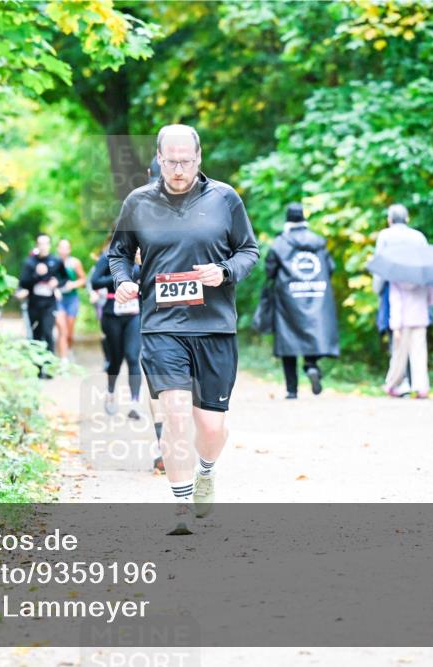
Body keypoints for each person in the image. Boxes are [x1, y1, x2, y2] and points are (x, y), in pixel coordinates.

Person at [109, 124, 259, 534]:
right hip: (161, 326)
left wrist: (224, 272)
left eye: (186, 161)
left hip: (214, 327)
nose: (178, 169)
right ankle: (179, 509)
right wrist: (123, 280)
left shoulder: (225, 198)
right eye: (170, 161)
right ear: (158, 158)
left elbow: (249, 251)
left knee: (210, 426)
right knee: (174, 415)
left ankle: (206, 471)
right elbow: (119, 253)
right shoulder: (138, 202)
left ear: (199, 158)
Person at [265, 203, 340, 398]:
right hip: (316, 296)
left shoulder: (280, 243)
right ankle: (311, 366)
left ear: (287, 220)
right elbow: (330, 268)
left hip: (289, 299)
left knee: (288, 340)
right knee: (312, 334)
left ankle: (292, 390)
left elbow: (270, 271)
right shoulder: (319, 241)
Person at [373, 204, 433, 398]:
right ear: (407, 218)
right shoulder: (418, 237)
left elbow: (379, 266)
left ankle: (397, 383)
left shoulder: (385, 236)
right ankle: (421, 386)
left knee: (397, 347)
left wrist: (377, 289)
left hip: (393, 293)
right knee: (419, 349)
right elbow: (428, 266)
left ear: (389, 219)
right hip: (419, 301)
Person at [89, 248, 143, 419]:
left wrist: (141, 266)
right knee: (116, 360)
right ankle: (111, 391)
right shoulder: (108, 257)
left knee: (133, 357)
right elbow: (95, 281)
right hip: (112, 314)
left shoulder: (143, 256)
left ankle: (134, 403)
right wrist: (119, 278)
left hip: (134, 314)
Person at [18, 233, 67, 378]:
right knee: (35, 335)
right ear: (37, 245)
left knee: (48, 333)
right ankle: (38, 369)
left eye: (46, 243)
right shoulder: (30, 262)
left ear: (49, 245)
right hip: (34, 304)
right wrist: (36, 275)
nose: (43, 246)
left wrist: (56, 283)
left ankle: (50, 367)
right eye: (40, 243)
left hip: (49, 305)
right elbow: (23, 283)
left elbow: (64, 278)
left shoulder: (56, 261)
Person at [54, 239, 86, 359]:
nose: (63, 250)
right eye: (61, 247)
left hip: (71, 299)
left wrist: (73, 284)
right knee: (62, 329)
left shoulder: (74, 263)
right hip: (58, 300)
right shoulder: (53, 262)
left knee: (69, 332)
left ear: (69, 249)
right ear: (57, 249)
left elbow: (83, 280)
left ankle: (69, 349)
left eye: (66, 247)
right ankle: (63, 359)